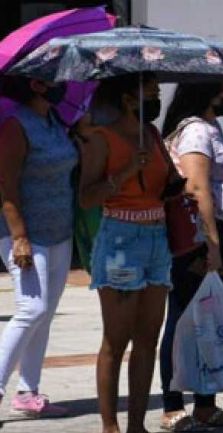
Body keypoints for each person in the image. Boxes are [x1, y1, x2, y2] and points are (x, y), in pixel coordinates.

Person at [79, 73, 171, 433]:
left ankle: (137, 425)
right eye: (152, 92)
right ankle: (109, 425)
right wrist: (128, 171)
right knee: (116, 339)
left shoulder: (152, 135)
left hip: (157, 237)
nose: (157, 98)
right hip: (120, 238)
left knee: (148, 338)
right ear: (128, 98)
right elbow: (87, 197)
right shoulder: (102, 138)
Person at [158, 79, 223, 430]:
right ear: (206, 91)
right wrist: (211, 243)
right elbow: (196, 188)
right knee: (183, 319)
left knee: (211, 319)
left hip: (216, 231)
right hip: (199, 234)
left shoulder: (211, 126)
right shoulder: (195, 131)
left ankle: (206, 405)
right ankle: (172, 406)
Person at [0, 76, 76, 418]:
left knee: (44, 315)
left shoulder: (55, 121)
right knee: (31, 309)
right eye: (53, 78)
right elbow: (5, 183)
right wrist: (19, 237)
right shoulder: (17, 125)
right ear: (35, 84)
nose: (62, 82)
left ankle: (28, 392)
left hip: (60, 231)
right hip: (24, 235)